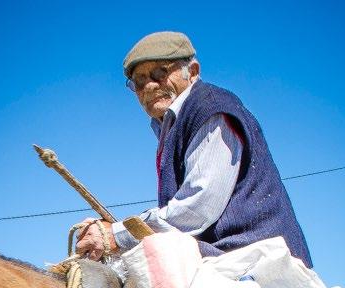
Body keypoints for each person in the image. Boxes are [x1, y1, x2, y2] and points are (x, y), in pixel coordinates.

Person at [75, 30, 312, 267]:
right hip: (223, 256)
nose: (149, 86)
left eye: (160, 72)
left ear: (193, 72)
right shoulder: (171, 126)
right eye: (139, 81)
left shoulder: (209, 109)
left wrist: (116, 235)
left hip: (254, 259)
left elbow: (198, 207)